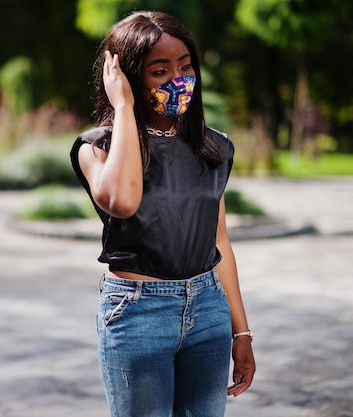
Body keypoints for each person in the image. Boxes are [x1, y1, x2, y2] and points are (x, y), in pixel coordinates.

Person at [69, 10, 255, 417]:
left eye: (185, 66)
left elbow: (219, 240)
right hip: (138, 313)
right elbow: (122, 201)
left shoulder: (213, 147)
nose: (178, 79)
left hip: (208, 308)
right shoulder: (96, 147)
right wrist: (123, 108)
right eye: (160, 71)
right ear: (131, 78)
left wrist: (241, 330)